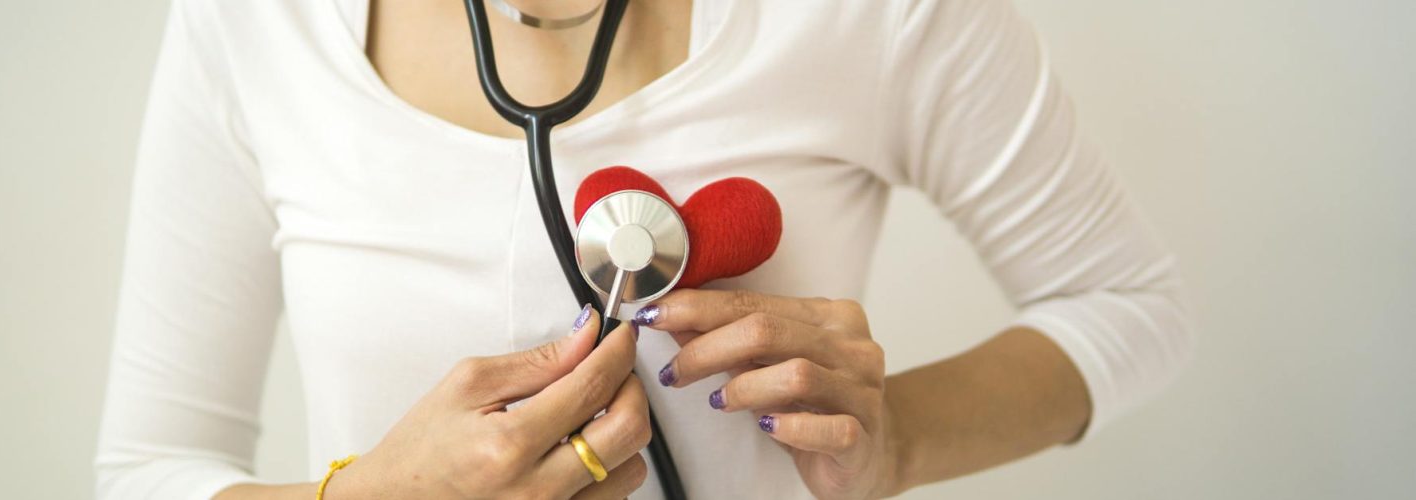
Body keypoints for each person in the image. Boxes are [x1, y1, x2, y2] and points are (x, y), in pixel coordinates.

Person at [94, 0, 1194, 498]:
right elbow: (146, 469)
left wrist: (894, 439)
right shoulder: (251, 23)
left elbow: (1126, 305)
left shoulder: (879, 14)